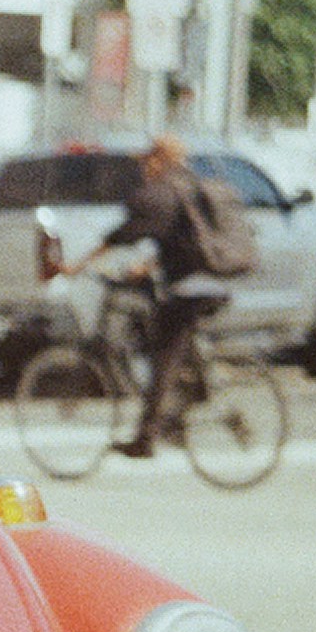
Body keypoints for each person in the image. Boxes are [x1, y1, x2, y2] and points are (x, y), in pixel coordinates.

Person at [63, 134, 227, 457]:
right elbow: (181, 240)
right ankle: (180, 410)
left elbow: (122, 234)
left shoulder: (161, 193)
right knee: (170, 342)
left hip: (191, 287)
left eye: (146, 162)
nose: (143, 169)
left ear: (157, 160)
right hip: (213, 279)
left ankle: (146, 438)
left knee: (162, 358)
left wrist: (79, 264)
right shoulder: (189, 186)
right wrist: (149, 265)